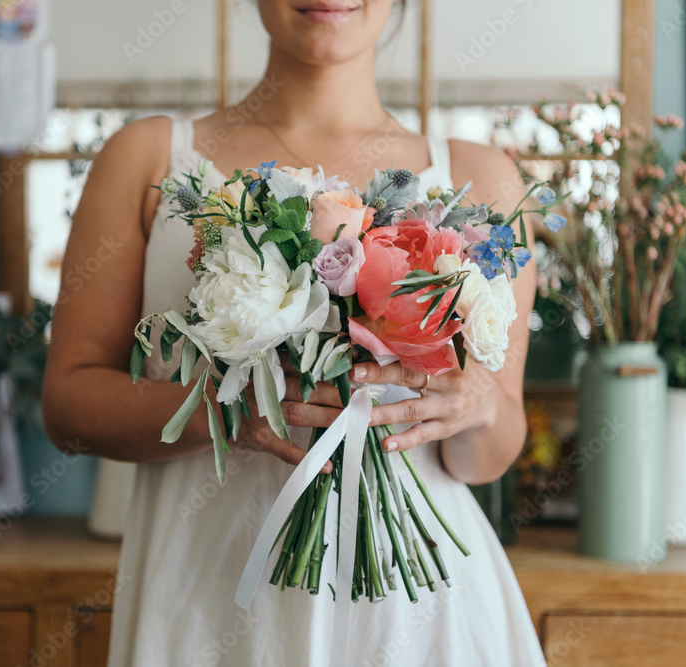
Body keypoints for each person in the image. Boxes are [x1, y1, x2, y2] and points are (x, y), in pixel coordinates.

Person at [42, 1, 545, 664]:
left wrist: (477, 404)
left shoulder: (482, 179)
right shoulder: (147, 159)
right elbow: (69, 407)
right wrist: (222, 412)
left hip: (420, 615)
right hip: (208, 600)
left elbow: (492, 450)